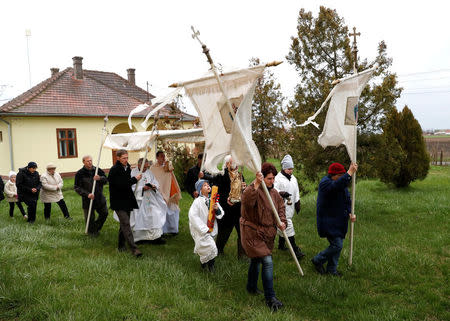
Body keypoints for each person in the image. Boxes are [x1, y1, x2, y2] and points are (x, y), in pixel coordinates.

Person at [240, 163, 287, 311]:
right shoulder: (254, 190)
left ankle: (251, 287)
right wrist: (257, 183)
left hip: (267, 235)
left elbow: (280, 208)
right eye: (269, 179)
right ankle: (270, 298)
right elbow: (246, 201)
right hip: (252, 233)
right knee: (267, 261)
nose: (272, 181)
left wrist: (282, 222)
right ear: (262, 177)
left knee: (256, 260)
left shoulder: (274, 193)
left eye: (273, 178)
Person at [311, 162, 357, 277]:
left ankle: (332, 269)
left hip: (339, 221)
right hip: (328, 221)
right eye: (340, 175)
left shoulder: (340, 183)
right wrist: (349, 173)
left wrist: (351, 212)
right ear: (333, 175)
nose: (343, 177)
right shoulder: (325, 183)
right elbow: (335, 187)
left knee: (338, 244)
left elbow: (347, 199)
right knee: (337, 245)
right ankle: (318, 260)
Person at [108, 149, 143, 257]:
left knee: (123, 224)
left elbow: (126, 184)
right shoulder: (114, 170)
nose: (126, 160)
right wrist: (135, 179)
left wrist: (133, 178)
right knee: (126, 224)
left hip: (127, 200)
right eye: (124, 158)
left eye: (127, 158)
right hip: (118, 201)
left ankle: (121, 246)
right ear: (118, 158)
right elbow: (121, 184)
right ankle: (134, 249)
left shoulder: (127, 167)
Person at [212, 155, 247, 259]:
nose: (234, 164)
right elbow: (217, 192)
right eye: (231, 162)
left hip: (239, 208)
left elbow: (242, 191)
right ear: (226, 164)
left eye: (235, 162)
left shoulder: (240, 175)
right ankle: (218, 250)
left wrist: (243, 188)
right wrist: (226, 199)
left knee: (241, 231)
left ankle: (242, 255)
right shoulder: (221, 175)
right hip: (226, 209)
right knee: (224, 231)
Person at [188, 179, 224, 272]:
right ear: (200, 190)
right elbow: (193, 216)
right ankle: (210, 268)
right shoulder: (197, 202)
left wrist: (217, 209)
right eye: (204, 185)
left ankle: (205, 266)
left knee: (208, 248)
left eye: (208, 185)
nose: (208, 186)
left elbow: (220, 214)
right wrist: (203, 228)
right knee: (210, 247)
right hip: (202, 230)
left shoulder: (213, 200)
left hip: (211, 228)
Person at [130, 158, 167, 244]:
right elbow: (131, 186)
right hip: (139, 199)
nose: (145, 169)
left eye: (147, 167)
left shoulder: (149, 172)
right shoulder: (133, 173)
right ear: (139, 165)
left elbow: (155, 182)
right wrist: (142, 188)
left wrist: (154, 186)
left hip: (150, 198)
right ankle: (139, 238)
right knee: (140, 217)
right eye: (144, 167)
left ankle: (155, 237)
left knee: (155, 214)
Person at [274, 155, 305, 259]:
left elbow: (296, 191)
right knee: (288, 226)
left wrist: (297, 202)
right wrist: (281, 193)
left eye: (292, 169)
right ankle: (295, 250)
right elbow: (273, 190)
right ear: (283, 168)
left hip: (290, 207)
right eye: (288, 169)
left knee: (284, 224)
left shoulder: (293, 179)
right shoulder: (277, 178)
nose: (290, 171)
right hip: (281, 207)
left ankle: (281, 245)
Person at [74, 155, 109, 236]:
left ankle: (96, 228)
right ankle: (91, 233)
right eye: (87, 161)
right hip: (87, 199)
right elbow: (77, 187)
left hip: (99, 197)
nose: (90, 162)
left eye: (90, 160)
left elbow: (106, 180)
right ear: (83, 162)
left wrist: (100, 178)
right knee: (89, 218)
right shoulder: (80, 173)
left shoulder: (97, 170)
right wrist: (87, 194)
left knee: (104, 213)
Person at [150, 151, 181, 236]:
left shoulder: (167, 167)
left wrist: (170, 169)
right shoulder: (153, 168)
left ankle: (173, 229)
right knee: (161, 212)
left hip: (169, 191)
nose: (163, 158)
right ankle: (162, 231)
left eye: (164, 156)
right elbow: (153, 180)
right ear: (157, 158)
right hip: (158, 193)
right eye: (161, 157)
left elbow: (172, 179)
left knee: (172, 210)